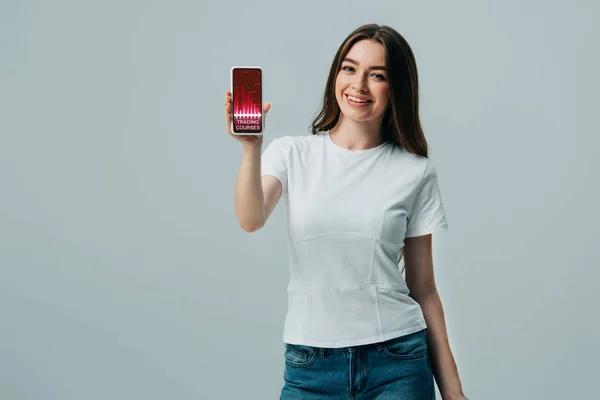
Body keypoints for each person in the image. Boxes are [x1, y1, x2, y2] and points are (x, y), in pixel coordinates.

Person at [225, 23, 467, 400]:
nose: (359, 85)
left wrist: (454, 393)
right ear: (336, 74)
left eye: (378, 75)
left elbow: (424, 288)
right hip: (310, 368)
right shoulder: (292, 153)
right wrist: (250, 147)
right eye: (350, 68)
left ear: (397, 88)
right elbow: (250, 218)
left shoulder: (415, 171)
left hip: (398, 363)